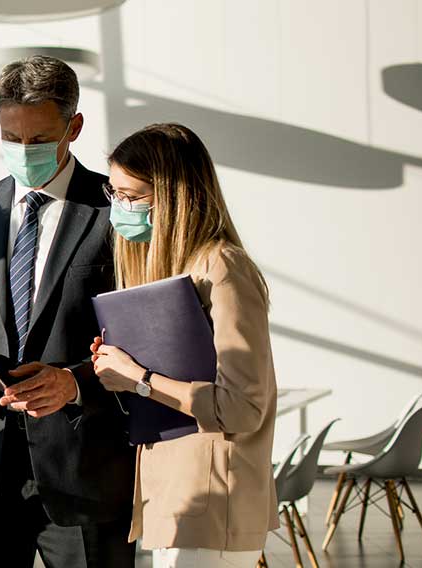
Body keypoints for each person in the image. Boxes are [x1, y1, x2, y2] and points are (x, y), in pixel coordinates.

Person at [0, 55, 135, 566]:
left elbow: (143, 336)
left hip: (84, 467)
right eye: (10, 138)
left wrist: (76, 382)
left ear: (73, 127)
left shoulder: (117, 212)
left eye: (38, 140)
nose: (22, 151)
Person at [90, 123, 278, 568]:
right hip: (176, 495)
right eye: (114, 193)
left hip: (212, 499)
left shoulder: (223, 268)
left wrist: (139, 379)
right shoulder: (175, 270)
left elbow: (243, 408)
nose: (120, 209)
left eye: (133, 196)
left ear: (174, 196)